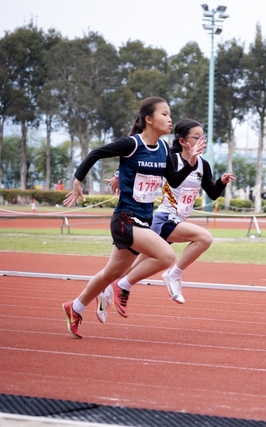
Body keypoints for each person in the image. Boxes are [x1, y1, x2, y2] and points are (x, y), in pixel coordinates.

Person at [61, 97, 204, 339]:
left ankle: (74, 307)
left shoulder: (164, 150)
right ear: (149, 119)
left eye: (170, 114)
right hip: (125, 219)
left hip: (143, 221)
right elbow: (96, 153)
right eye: (164, 114)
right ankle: (123, 285)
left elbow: (174, 180)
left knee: (109, 273)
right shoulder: (132, 144)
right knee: (166, 256)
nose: (170, 119)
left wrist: (190, 164)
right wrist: (77, 181)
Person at [94, 119, 235, 322]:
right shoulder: (171, 158)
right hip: (164, 219)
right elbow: (143, 162)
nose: (201, 141)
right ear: (182, 140)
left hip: (178, 220)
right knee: (204, 237)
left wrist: (221, 182)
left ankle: (106, 292)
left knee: (133, 265)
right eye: (196, 137)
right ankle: (173, 275)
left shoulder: (203, 165)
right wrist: (118, 175)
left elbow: (212, 194)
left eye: (203, 137)